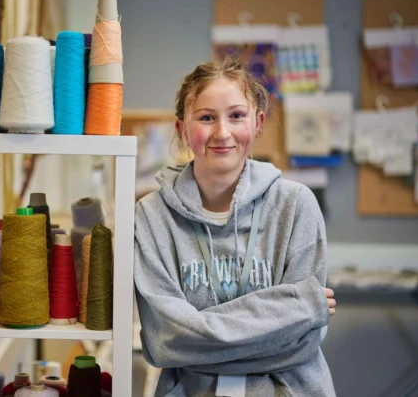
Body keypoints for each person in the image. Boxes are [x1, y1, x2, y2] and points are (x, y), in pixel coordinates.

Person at [133, 56, 337, 397]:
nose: (222, 132)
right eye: (207, 117)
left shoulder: (296, 205)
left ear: (257, 123)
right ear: (182, 129)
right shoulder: (152, 217)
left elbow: (305, 341)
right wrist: (297, 307)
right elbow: (164, 342)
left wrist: (198, 344)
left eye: (236, 115)